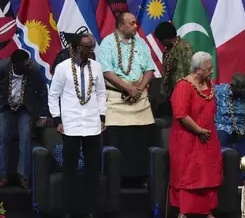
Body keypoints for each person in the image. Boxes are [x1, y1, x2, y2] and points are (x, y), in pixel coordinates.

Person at [49, 34, 106, 218]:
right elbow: (53, 95)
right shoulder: (62, 68)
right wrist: (57, 120)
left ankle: (91, 210)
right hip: (71, 124)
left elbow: (101, 93)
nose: (91, 50)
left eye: (92, 46)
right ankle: (68, 210)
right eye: (88, 46)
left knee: (92, 170)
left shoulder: (96, 67)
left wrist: (102, 117)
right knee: (69, 170)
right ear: (78, 47)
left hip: (92, 124)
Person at [98, 12, 155, 185]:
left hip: (139, 98)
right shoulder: (107, 43)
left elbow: (150, 69)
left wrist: (138, 88)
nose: (136, 26)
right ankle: (116, 179)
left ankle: (141, 177)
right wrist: (127, 88)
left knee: (142, 140)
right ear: (121, 26)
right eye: (132, 24)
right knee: (116, 140)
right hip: (116, 99)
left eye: (135, 23)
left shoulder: (141, 42)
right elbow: (106, 71)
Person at [169, 52, 222, 218]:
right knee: (188, 172)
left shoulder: (209, 85)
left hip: (208, 137)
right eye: (208, 68)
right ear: (198, 69)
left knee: (209, 172)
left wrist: (205, 132)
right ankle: (184, 211)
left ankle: (207, 210)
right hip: (188, 137)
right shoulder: (184, 86)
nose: (211, 71)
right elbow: (181, 114)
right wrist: (199, 130)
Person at [0, 49, 48, 188]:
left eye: (29, 63)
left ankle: (24, 176)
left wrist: (43, 114)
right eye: (25, 64)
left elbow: (42, 91)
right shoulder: (2, 68)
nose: (29, 65)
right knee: (2, 136)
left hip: (25, 107)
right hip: (4, 105)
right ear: (15, 65)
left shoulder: (33, 69)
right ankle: (2, 175)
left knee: (26, 137)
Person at [154, 21, 193, 118]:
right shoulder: (167, 52)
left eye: (161, 40)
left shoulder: (185, 47)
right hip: (172, 95)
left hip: (185, 94)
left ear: (167, 38)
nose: (160, 43)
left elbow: (190, 71)